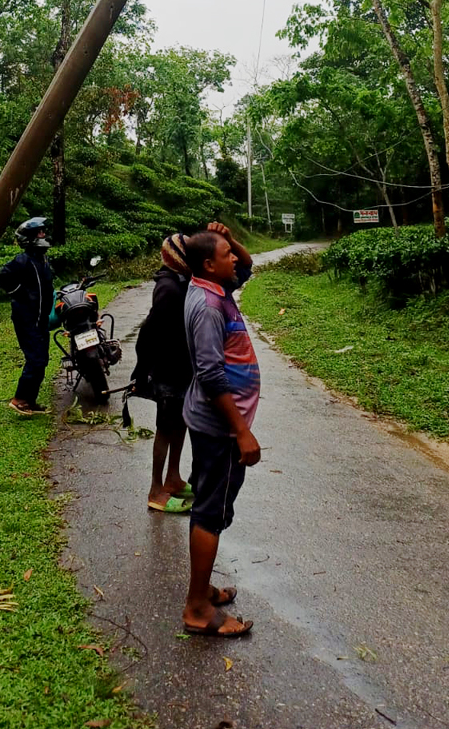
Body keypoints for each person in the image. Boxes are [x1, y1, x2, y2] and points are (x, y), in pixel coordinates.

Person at [130, 223, 252, 512]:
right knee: (165, 427)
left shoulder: (191, 282)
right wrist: (142, 371)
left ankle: (173, 478)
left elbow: (245, 268)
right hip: (169, 371)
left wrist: (230, 241)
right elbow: (150, 331)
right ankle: (155, 489)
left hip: (187, 370)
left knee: (180, 423)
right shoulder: (170, 289)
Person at [180, 230, 259, 638]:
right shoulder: (210, 306)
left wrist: (228, 237)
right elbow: (211, 374)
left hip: (213, 424)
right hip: (219, 429)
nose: (235, 259)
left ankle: (203, 589)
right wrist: (241, 431)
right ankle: (196, 608)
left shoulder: (212, 283)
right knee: (210, 514)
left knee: (210, 507)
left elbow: (247, 268)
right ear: (209, 264)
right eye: (226, 253)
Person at [0, 215, 54, 417]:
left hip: (40, 318)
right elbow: (2, 276)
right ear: (30, 237)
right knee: (35, 359)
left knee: (42, 359)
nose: (43, 234)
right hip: (27, 319)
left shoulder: (42, 259)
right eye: (39, 232)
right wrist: (21, 294)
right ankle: (19, 399)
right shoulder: (23, 260)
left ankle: (30, 401)